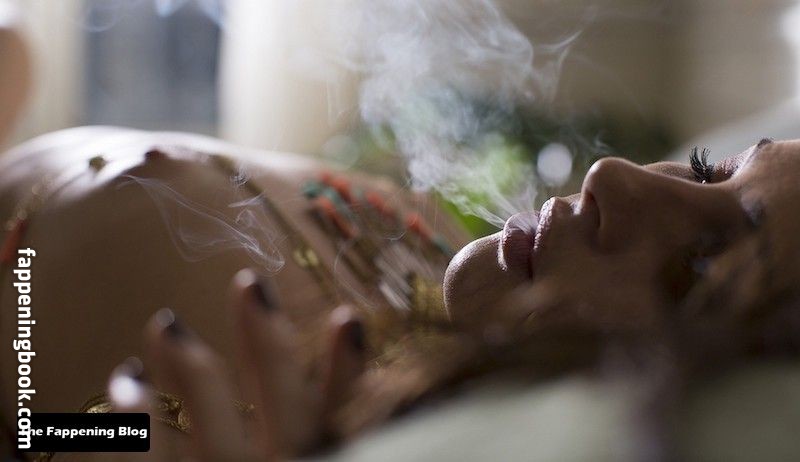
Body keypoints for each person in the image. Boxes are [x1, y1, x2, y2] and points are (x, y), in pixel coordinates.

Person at [4, 129, 800, 461]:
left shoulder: (239, 421)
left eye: (699, 266)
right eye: (708, 169)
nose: (609, 176)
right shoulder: (468, 286)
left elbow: (48, 434)